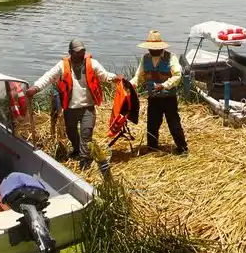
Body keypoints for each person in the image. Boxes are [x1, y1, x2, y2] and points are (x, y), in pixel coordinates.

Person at [24, 39, 117, 169]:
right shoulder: (62, 66)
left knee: (86, 133)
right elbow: (48, 77)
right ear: (70, 53)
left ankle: (84, 159)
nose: (81, 54)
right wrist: (36, 88)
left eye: (83, 51)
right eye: (78, 52)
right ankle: (77, 149)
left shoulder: (92, 64)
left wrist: (117, 79)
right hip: (71, 109)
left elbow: (104, 75)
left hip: (88, 108)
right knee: (71, 132)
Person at [129, 30, 188, 155]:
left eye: (154, 48)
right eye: (150, 48)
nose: (152, 51)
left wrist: (165, 85)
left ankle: (182, 148)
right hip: (153, 97)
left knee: (174, 123)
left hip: (169, 98)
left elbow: (177, 75)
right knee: (152, 124)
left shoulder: (171, 57)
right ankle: (152, 148)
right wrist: (132, 84)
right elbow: (140, 76)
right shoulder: (145, 58)